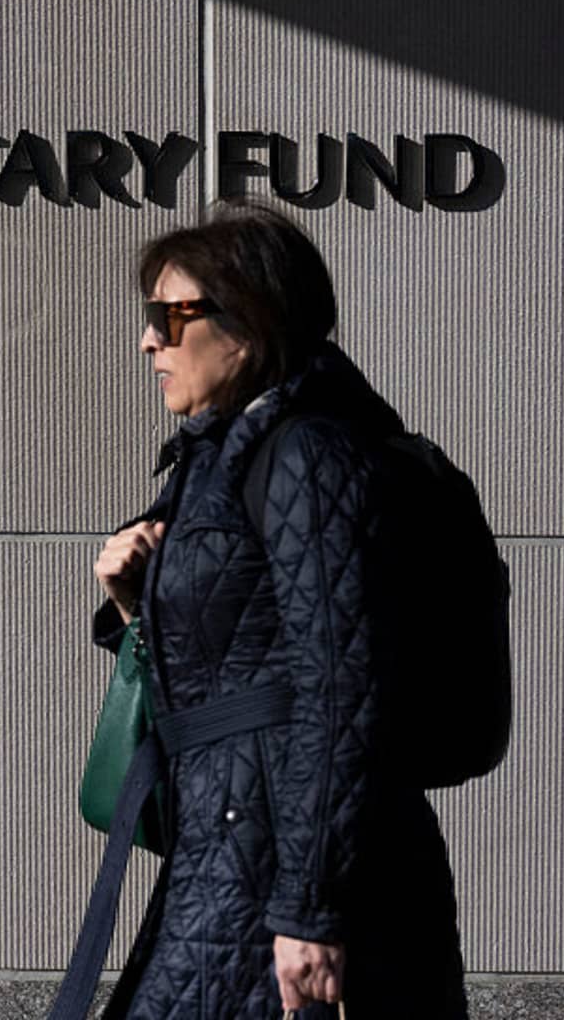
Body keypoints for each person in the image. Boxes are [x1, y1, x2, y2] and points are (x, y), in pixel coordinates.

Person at [86, 200, 468, 1018]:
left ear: (247, 324)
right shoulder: (225, 455)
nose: (148, 340)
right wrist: (134, 604)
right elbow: (237, 658)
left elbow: (341, 689)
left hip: (288, 878)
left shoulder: (309, 455)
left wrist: (310, 910)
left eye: (170, 316)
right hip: (231, 850)